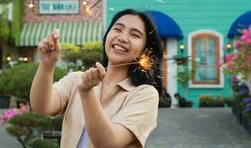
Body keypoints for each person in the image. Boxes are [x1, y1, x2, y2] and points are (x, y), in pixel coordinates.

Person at [30, 9, 163, 148]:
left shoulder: (145, 94)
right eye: (117, 29)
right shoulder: (77, 79)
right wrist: (47, 65)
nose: (122, 38)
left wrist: (87, 93)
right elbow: (41, 107)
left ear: (145, 51)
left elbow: (108, 142)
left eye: (135, 35)